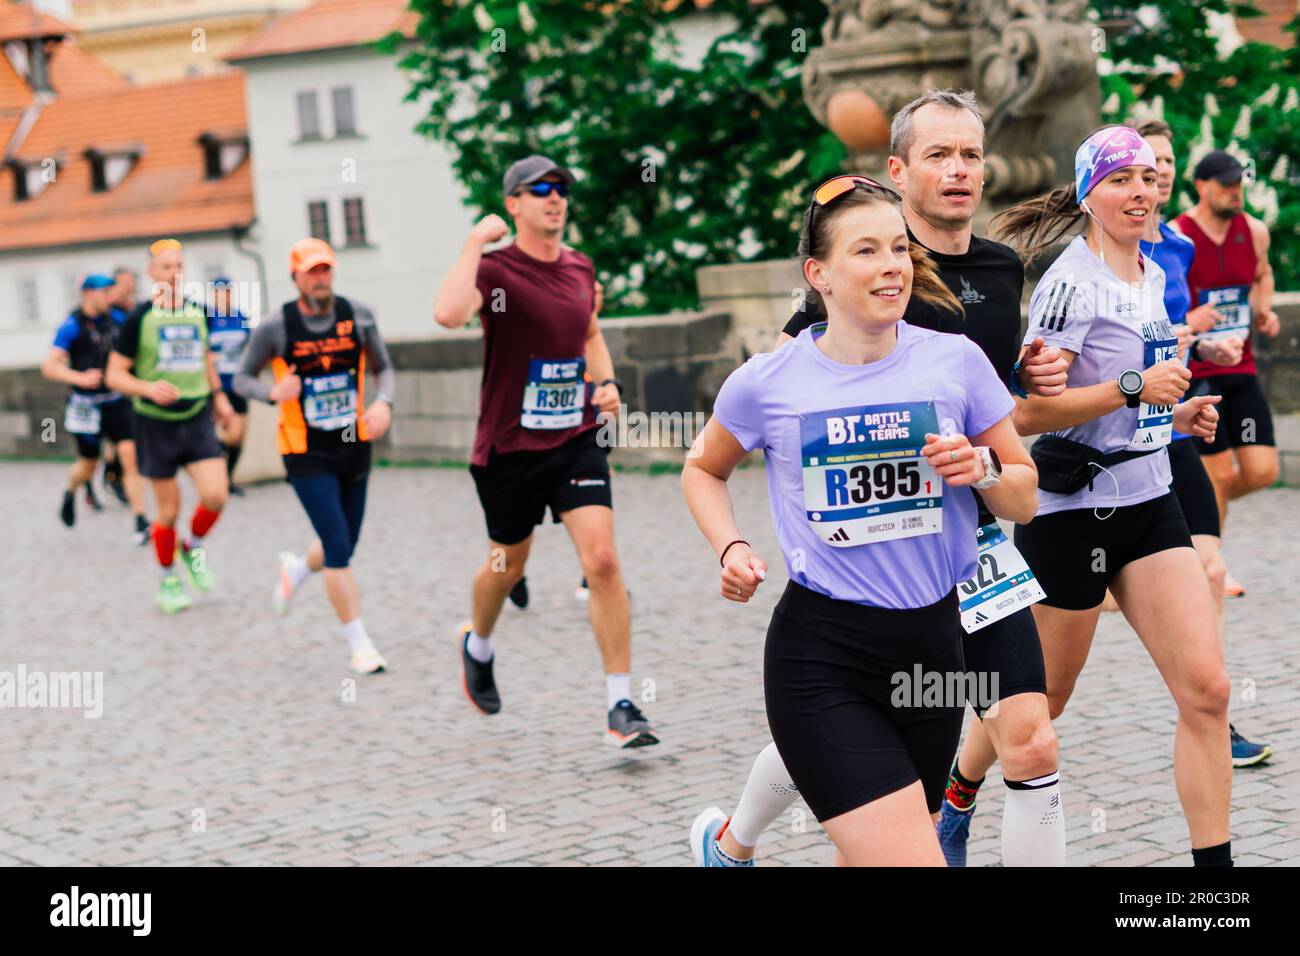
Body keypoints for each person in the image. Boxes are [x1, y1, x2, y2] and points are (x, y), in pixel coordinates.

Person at [692, 90, 1067, 868]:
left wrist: (985, 467)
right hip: (822, 647)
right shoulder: (772, 378)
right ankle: (733, 839)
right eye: (867, 251)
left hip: (937, 638)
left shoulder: (955, 356)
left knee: (896, 838)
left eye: (899, 250)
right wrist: (729, 547)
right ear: (817, 275)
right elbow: (704, 467)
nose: (892, 265)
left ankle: (728, 848)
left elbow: (1022, 486)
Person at [990, 126, 1233, 866]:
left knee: (1210, 691)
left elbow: (1136, 397)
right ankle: (961, 789)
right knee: (1044, 702)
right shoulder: (1070, 281)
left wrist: (1170, 412)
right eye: (1121, 181)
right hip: (1073, 514)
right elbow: (1028, 416)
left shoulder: (1150, 273)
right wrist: (1132, 386)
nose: (1140, 192)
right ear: (1091, 195)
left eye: (1148, 180)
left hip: (1150, 501)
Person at [433, 154, 657, 748]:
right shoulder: (495, 269)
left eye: (561, 189)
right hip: (510, 445)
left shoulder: (581, 268)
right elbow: (448, 314)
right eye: (539, 190)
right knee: (508, 565)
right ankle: (477, 643)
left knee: (603, 560)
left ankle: (621, 705)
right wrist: (474, 242)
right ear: (513, 204)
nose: (555, 198)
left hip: (576, 438)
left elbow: (588, 334)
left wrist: (605, 383)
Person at [1136, 122, 1271, 767]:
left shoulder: (1176, 247)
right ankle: (964, 784)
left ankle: (1215, 715)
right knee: (1049, 688)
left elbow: (1169, 333)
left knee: (1211, 571)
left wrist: (1201, 344)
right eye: (1145, 163)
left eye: (1164, 161)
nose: (1157, 172)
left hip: (1170, 432)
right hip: (1103, 454)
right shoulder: (1087, 255)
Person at [236, 239, 396, 675]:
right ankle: (360, 644)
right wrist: (271, 392)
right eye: (311, 271)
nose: (320, 278)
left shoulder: (358, 315)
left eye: (325, 269)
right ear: (295, 278)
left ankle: (296, 569)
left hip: (353, 441)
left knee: (343, 541)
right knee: (339, 549)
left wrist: (383, 403)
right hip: (305, 450)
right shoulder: (276, 327)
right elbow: (240, 378)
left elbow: (384, 367)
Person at [1174, 150, 1282, 598]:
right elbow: (1166, 296)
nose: (1236, 191)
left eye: (1239, 183)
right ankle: (1210, 563)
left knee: (1261, 471)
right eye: (1226, 184)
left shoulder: (1253, 231)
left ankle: (1184, 517)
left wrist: (1265, 310)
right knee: (1215, 476)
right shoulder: (1179, 235)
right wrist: (1191, 317)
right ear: (1201, 186)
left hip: (1240, 366)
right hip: (1198, 370)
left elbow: (1262, 273)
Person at [106, 239, 232, 614]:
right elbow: (114, 375)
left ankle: (192, 546)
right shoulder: (137, 320)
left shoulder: (198, 312)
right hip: (154, 423)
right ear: (151, 274)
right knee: (169, 510)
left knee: (216, 495)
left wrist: (220, 398)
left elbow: (206, 358)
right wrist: (147, 387)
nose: (174, 274)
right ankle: (168, 578)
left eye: (178, 267)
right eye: (165, 267)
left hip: (196, 418)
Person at [42, 274, 149, 542]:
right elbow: (49, 367)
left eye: (111, 292)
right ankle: (70, 491)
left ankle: (140, 520)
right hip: (85, 405)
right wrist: (79, 378)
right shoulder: (72, 326)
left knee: (130, 457)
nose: (109, 297)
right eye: (104, 292)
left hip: (115, 400)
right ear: (88, 293)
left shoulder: (118, 320)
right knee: (88, 464)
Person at [207, 276, 253, 496]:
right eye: (218, 291)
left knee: (238, 436)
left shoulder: (240, 316)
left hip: (238, 383)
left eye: (226, 291)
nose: (223, 295)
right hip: (218, 384)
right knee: (229, 432)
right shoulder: (207, 318)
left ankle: (227, 479)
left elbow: (250, 346)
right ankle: (208, 456)